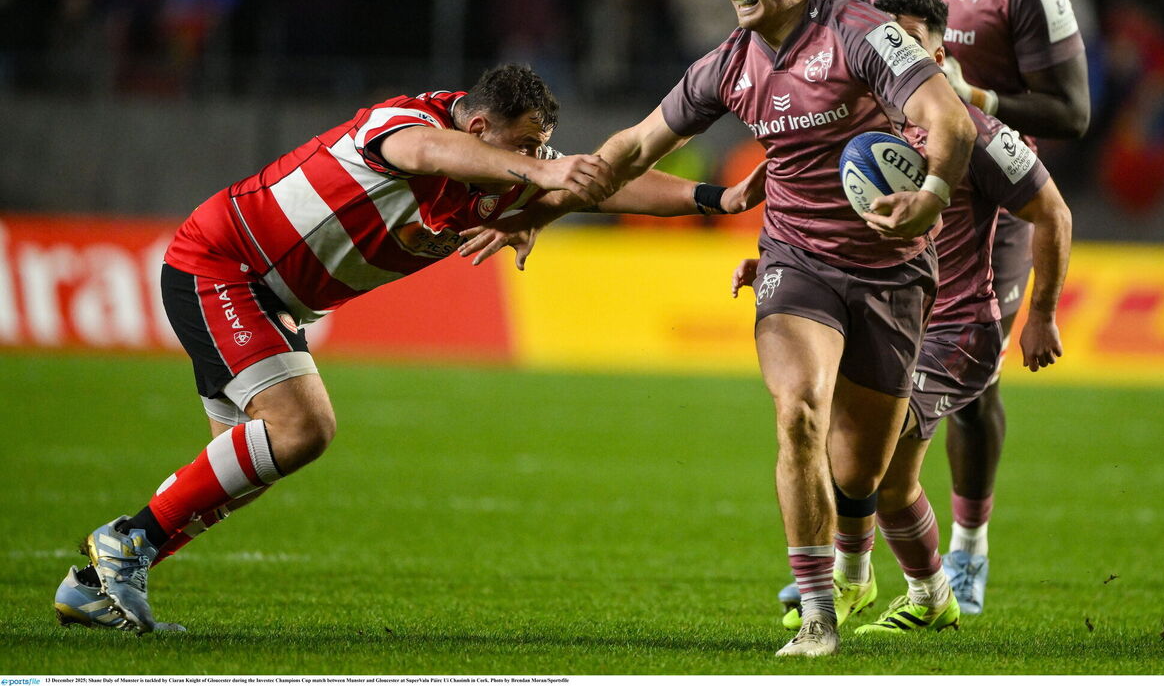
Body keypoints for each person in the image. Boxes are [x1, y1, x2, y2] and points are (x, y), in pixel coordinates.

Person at [53, 63, 767, 633]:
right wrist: (543, 174)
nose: (533, 160)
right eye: (523, 148)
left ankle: (92, 585)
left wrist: (717, 200)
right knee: (303, 428)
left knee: (241, 468)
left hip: (270, 296)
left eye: (539, 149)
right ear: (479, 125)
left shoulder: (502, 168)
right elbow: (428, 151)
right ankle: (124, 542)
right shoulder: (404, 123)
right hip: (223, 264)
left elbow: (605, 186)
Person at [459, 0, 978, 658]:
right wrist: (548, 206)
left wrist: (929, 197)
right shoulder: (729, 65)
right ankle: (818, 614)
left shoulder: (862, 35)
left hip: (892, 274)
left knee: (858, 471)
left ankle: (895, 576)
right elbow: (633, 148)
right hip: (795, 261)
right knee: (798, 410)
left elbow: (950, 119)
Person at [767, 0, 1072, 636]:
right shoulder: (858, 124)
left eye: (908, 44)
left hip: (958, 328)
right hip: (893, 317)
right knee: (870, 463)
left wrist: (1042, 313)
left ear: (937, 55)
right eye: (884, 44)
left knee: (874, 456)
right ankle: (914, 590)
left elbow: (1054, 212)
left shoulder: (973, 130)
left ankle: (873, 581)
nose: (892, 57)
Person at [857, 0, 1089, 614]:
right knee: (875, 371)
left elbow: (1073, 111)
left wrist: (971, 98)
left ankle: (966, 551)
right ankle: (850, 560)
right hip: (901, 180)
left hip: (994, 192)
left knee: (968, 378)